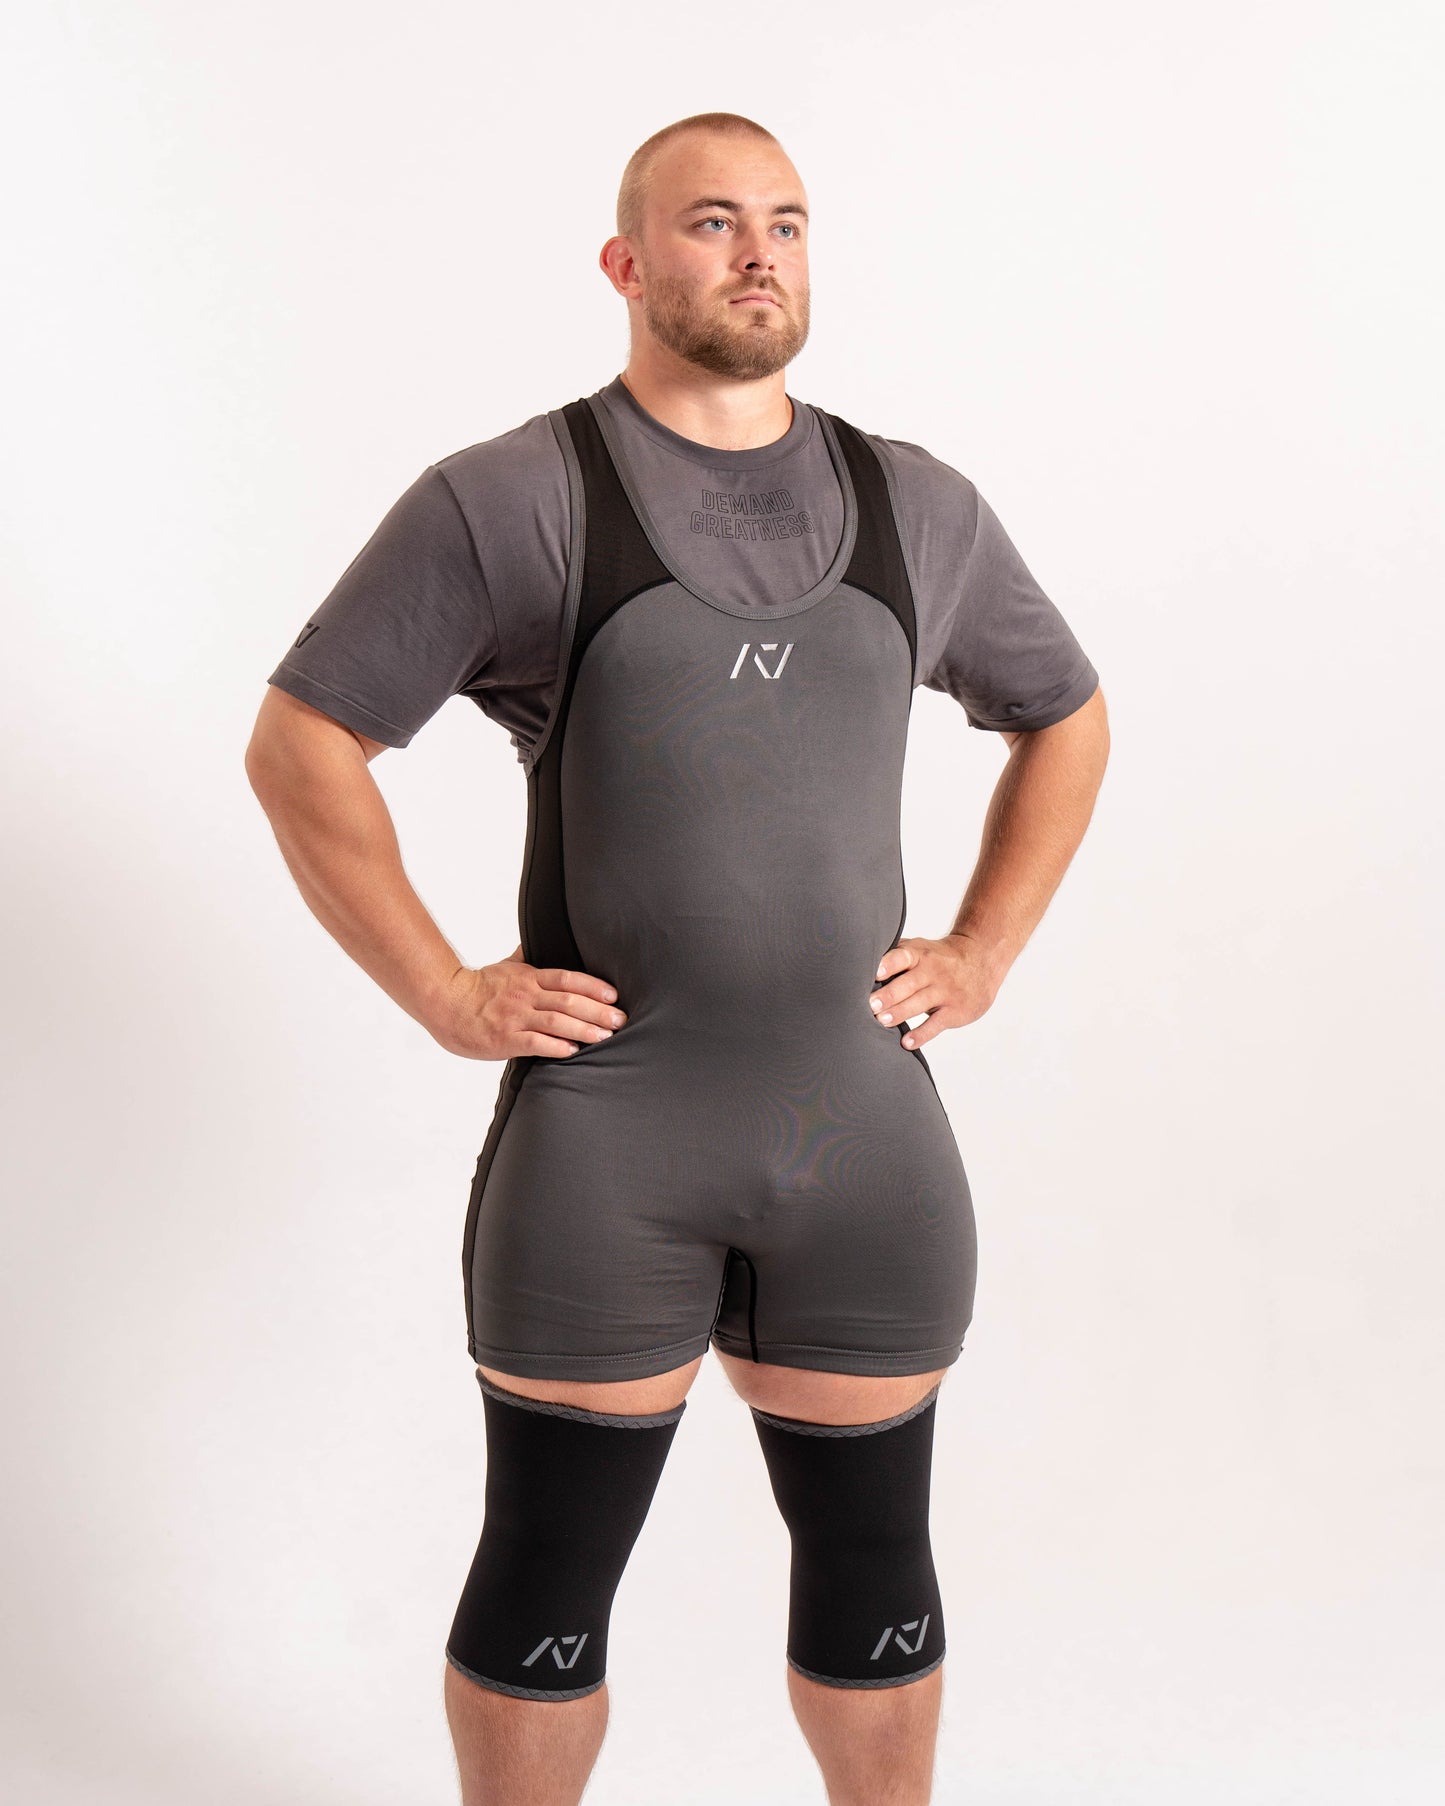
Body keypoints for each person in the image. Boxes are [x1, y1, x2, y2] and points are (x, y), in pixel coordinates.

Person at [246, 110, 1109, 1806]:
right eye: (711, 222)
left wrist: (985, 947)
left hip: (855, 1146)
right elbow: (303, 743)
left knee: (876, 1562)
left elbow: (1063, 714)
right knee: (547, 1571)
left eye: (784, 219)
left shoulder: (917, 504)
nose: (757, 250)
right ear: (626, 263)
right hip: (609, 1148)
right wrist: (444, 989)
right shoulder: (509, 497)